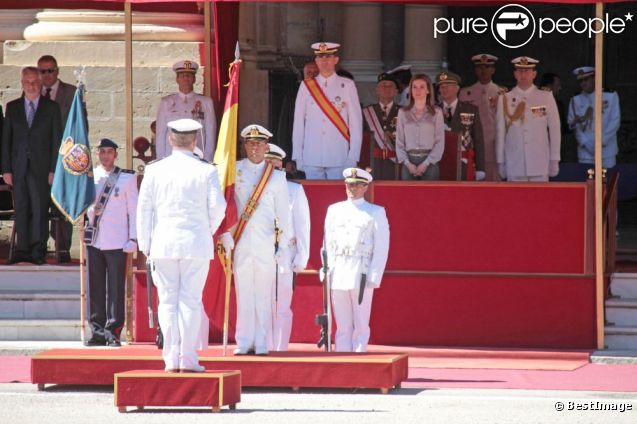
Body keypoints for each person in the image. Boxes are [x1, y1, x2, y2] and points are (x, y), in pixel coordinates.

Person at [137, 118, 226, 372]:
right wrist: (206, 230)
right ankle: (187, 359)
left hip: (163, 243)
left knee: (167, 302)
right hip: (195, 244)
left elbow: (144, 210)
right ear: (195, 141)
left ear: (170, 140)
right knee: (190, 301)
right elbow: (218, 207)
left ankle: (171, 359)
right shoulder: (206, 170)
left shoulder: (155, 170)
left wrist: (146, 245)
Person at [220, 125, 290, 356]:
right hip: (240, 240)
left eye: (259, 143)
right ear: (244, 145)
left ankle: (261, 341)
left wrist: (284, 247)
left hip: (266, 241)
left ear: (266, 146)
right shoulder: (234, 170)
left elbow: (284, 215)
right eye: (250, 143)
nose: (255, 147)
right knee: (244, 291)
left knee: (263, 293)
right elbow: (227, 204)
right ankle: (243, 340)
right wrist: (226, 234)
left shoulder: (277, 177)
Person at [324, 167, 389, 352]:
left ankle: (359, 359)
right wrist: (326, 268)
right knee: (342, 325)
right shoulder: (334, 210)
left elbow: (382, 246)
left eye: (356, 185)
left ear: (365, 187)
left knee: (361, 324)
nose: (352, 189)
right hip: (338, 271)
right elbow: (327, 242)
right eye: (349, 185)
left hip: (361, 271)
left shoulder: (375, 212)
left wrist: (374, 276)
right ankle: (341, 358)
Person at [2, 66, 62, 265]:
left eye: (35, 82)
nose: (31, 86)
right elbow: (6, 140)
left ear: (40, 83)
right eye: (27, 82)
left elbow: (56, 141)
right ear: (22, 84)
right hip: (18, 167)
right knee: (21, 208)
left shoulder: (51, 108)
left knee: (39, 209)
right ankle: (22, 250)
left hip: (42, 168)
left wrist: (54, 169)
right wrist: (6, 169)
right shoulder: (12, 107)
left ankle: (38, 250)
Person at [84, 138, 138, 347]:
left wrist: (133, 237)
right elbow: (82, 205)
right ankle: (97, 331)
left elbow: (133, 210)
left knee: (116, 288)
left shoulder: (126, 178)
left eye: (109, 152)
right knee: (94, 287)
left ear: (116, 154)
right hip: (94, 238)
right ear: (97, 154)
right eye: (102, 152)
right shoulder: (89, 177)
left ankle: (113, 331)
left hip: (117, 240)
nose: (106, 156)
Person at [292, 42, 363, 180]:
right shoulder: (306, 86)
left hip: (338, 155)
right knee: (313, 198)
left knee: (336, 198)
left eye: (328, 57)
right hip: (311, 154)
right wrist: (298, 155)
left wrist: (353, 156)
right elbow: (299, 122)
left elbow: (355, 124)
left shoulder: (347, 85)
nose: (324, 61)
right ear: (316, 61)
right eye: (321, 57)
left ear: (335, 60)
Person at [264, 143, 310, 351]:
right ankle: (264, 347)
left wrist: (302, 258)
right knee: (262, 305)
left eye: (275, 163)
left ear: (281, 164)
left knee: (282, 307)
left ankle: (280, 349)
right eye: (267, 162)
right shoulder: (254, 189)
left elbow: (303, 226)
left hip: (285, 252)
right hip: (260, 252)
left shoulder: (294, 190)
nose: (271, 166)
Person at [38, 55, 82, 263]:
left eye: (50, 70)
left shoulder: (71, 92)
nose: (46, 75)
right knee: (39, 204)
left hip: (63, 160)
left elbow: (80, 126)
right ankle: (38, 247)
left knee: (62, 206)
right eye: (42, 71)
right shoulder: (33, 90)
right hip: (38, 161)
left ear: (57, 71)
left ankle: (62, 250)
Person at [495, 57, 561, 182]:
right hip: (515, 161)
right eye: (520, 71)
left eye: (527, 71)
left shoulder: (545, 96)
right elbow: (500, 132)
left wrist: (554, 159)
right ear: (515, 74)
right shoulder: (505, 98)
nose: (523, 75)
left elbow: (554, 129)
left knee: (539, 199)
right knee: (515, 200)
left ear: (534, 74)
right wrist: (500, 161)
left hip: (539, 161)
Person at [155, 60, 216, 161]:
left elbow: (210, 133)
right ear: (177, 79)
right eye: (182, 75)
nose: (186, 78)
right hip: (171, 157)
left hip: (197, 156)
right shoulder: (166, 102)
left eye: (189, 75)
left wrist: (208, 160)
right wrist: (161, 160)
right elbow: (161, 134)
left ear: (194, 79)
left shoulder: (206, 102)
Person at [458, 54, 507, 181]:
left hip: (494, 145)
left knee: (495, 185)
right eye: (480, 68)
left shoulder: (502, 93)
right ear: (475, 70)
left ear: (493, 70)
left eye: (487, 67)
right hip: (473, 146)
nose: (483, 71)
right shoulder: (465, 93)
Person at [567, 66, 621, 169]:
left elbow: (615, 121)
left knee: (607, 181)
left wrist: (601, 141)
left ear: (594, 79)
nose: (583, 83)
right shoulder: (575, 99)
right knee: (587, 181)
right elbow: (573, 124)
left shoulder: (610, 95)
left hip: (606, 150)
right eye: (580, 81)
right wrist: (586, 143)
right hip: (585, 152)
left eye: (586, 80)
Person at [436, 71, 485, 180]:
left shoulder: (470, 109)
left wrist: (480, 168)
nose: (444, 89)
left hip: (462, 163)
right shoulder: (433, 111)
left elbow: (478, 140)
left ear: (457, 89)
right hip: (439, 164)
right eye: (442, 87)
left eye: (448, 86)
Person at [395, 74, 445, 181]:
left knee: (430, 196)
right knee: (408, 196)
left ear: (428, 90)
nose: (418, 90)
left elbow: (439, 141)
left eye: (422, 87)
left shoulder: (437, 113)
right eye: (414, 87)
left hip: (430, 161)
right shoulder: (403, 112)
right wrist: (408, 164)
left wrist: (426, 163)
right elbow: (399, 142)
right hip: (409, 161)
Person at [362, 73, 400, 180]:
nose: (386, 88)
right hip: (373, 162)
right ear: (377, 90)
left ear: (396, 91)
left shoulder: (403, 112)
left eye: (390, 86)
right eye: (383, 85)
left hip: (395, 163)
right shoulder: (366, 112)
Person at [540, 72, 575, 163]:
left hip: (556, 151)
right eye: (558, 85)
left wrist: (574, 123)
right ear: (549, 86)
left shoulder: (559, 104)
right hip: (539, 149)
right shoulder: (536, 103)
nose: (560, 88)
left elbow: (562, 128)